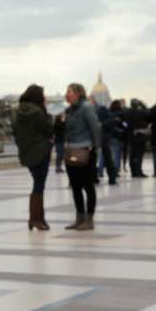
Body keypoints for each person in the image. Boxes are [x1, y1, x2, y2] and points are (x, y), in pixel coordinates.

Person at [12, 84, 52, 231]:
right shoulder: (38, 112)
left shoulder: (19, 111)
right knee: (39, 185)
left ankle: (38, 218)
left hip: (26, 153)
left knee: (38, 184)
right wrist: (46, 112)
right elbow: (48, 131)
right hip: (40, 152)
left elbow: (15, 132)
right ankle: (35, 218)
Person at [63, 83, 101, 230]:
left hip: (86, 151)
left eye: (69, 92)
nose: (67, 94)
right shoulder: (69, 110)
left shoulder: (86, 107)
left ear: (78, 93)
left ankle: (89, 219)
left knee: (88, 186)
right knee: (75, 186)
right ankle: (79, 218)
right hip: (72, 150)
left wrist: (96, 147)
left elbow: (95, 127)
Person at [92, 95, 119, 185]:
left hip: (98, 137)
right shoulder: (102, 113)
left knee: (98, 158)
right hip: (100, 138)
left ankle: (97, 177)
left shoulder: (98, 111)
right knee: (106, 158)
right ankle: (110, 178)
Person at [124, 99, 151, 177]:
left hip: (131, 136)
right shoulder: (141, 112)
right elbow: (148, 114)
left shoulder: (127, 113)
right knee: (139, 155)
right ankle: (139, 171)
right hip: (140, 136)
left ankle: (133, 172)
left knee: (132, 155)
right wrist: (143, 105)